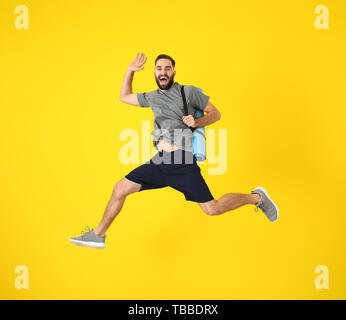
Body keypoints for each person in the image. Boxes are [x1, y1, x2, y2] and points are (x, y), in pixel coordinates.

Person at [69, 53, 279, 249]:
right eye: (159, 68)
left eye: (167, 68)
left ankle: (257, 198)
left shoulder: (188, 92)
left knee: (212, 209)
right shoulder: (151, 97)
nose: (163, 72)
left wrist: (196, 121)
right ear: (154, 72)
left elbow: (216, 114)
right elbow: (124, 96)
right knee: (119, 189)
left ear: (174, 72)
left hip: (181, 161)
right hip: (160, 162)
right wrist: (130, 70)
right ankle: (98, 235)